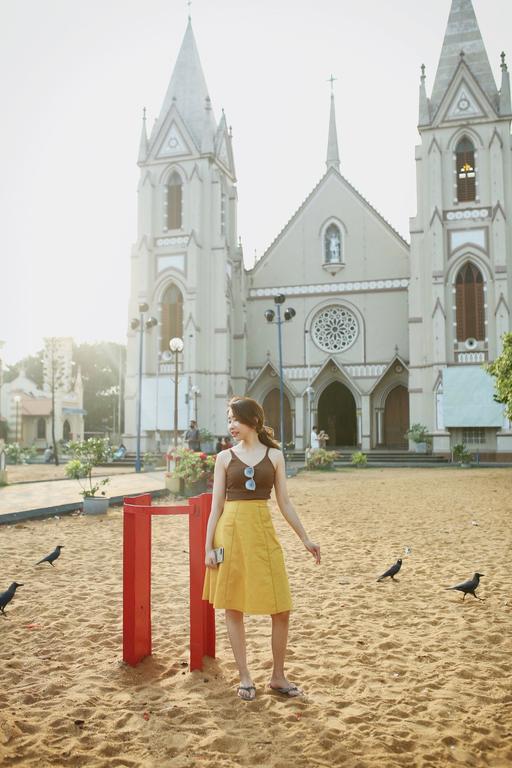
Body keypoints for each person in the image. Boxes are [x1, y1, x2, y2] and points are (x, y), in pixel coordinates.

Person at [203, 396, 321, 702]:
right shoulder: (224, 458)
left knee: (281, 607)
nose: (230, 426)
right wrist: (207, 547)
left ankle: (277, 677)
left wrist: (305, 538)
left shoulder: (275, 456)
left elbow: (285, 502)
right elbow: (216, 507)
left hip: (262, 530)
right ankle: (245, 676)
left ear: (253, 421)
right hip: (230, 533)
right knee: (233, 604)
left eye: (235, 420)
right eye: (228, 420)